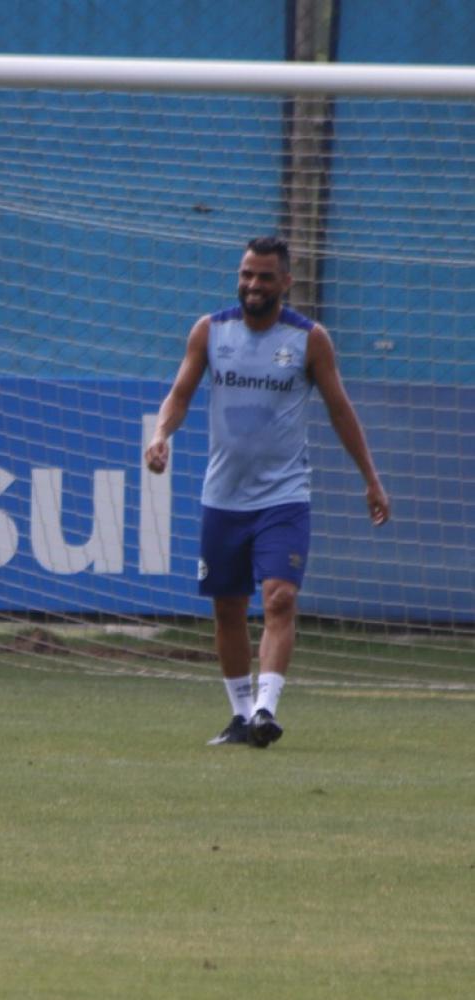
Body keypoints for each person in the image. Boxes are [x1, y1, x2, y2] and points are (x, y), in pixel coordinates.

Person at [145, 236, 390, 749]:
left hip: (284, 495)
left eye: (264, 277)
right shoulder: (211, 331)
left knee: (279, 598)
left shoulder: (309, 339)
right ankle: (239, 716)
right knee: (228, 609)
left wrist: (370, 478)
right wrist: (161, 435)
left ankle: (265, 709)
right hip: (223, 496)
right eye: (246, 274)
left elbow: (341, 411)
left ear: (286, 282)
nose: (252, 285)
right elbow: (180, 395)